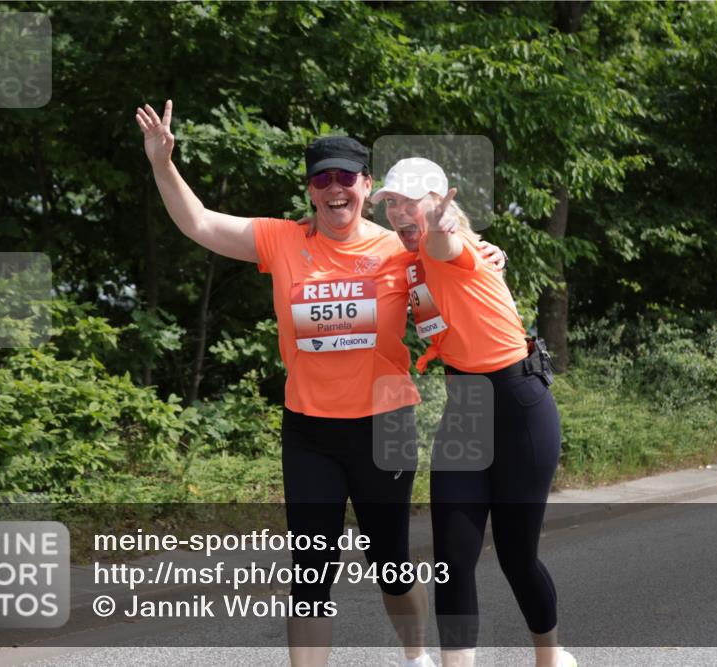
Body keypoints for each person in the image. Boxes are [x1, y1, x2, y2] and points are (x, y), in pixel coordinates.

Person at [135, 101, 504, 667]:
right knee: (310, 572)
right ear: (310, 190)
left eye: (345, 178)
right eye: (321, 179)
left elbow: (456, 271)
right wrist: (163, 164)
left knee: (392, 564)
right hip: (309, 430)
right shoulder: (282, 241)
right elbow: (201, 223)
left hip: (386, 425)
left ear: (366, 184)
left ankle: (416, 656)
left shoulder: (397, 250)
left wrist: (487, 255)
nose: (335, 189)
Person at [371, 157, 577, 667]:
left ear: (440, 203)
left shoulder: (454, 251)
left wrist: (442, 228)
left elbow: (447, 244)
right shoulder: (408, 259)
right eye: (391, 203)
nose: (397, 213)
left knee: (516, 556)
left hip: (520, 405)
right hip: (466, 407)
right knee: (452, 560)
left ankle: (550, 658)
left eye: (408, 202)